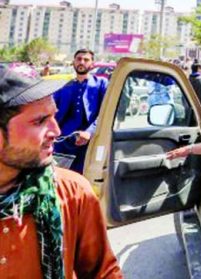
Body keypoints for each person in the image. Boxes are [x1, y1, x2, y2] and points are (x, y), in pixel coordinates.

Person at [0, 64, 122, 278]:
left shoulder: (72, 192)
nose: (56, 131)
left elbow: (104, 272)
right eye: (39, 121)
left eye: (53, 117)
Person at [52, 49, 109, 174]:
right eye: (78, 59)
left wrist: (90, 132)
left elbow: (106, 113)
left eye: (86, 60)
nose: (81, 62)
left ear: (92, 64)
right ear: (73, 62)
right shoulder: (64, 86)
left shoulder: (101, 84)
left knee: (84, 179)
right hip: (63, 142)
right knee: (60, 178)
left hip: (90, 142)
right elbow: (50, 110)